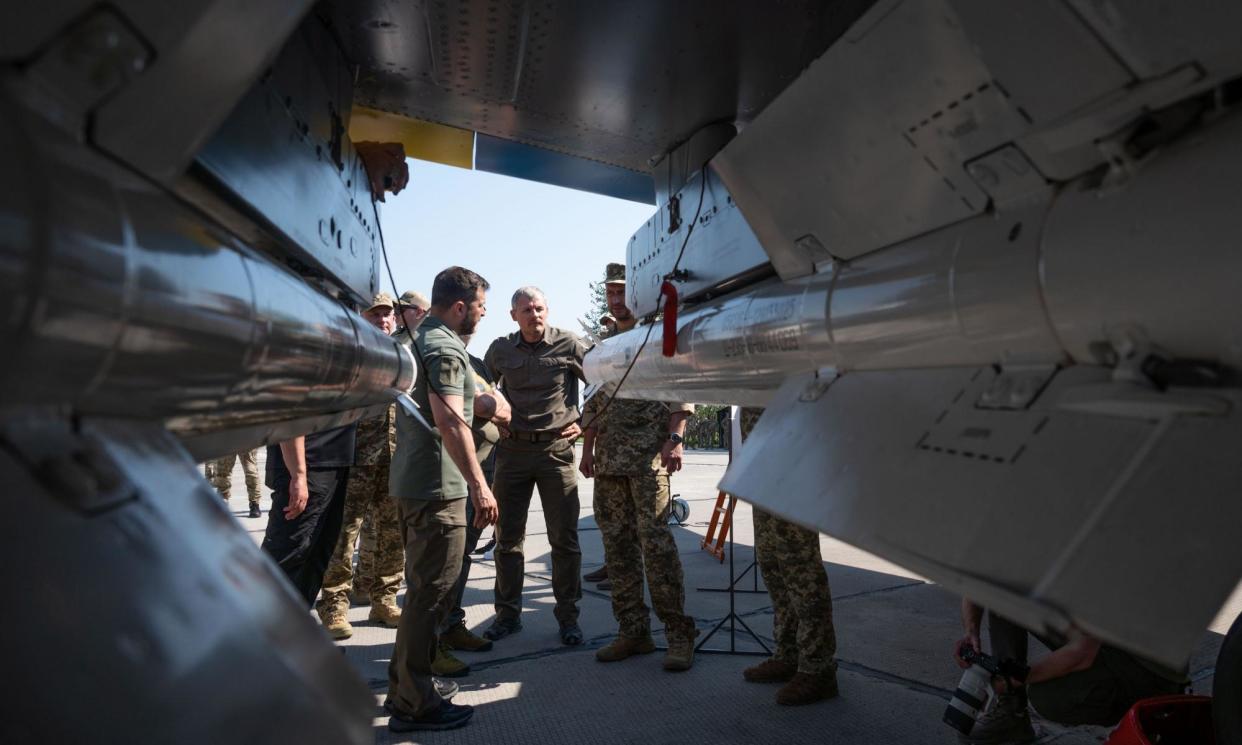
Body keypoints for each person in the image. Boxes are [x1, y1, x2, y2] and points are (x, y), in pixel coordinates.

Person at [385, 266, 499, 733]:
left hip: (416, 483)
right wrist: (479, 484)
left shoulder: (416, 339)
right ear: (459, 307)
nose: (481, 317)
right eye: (480, 309)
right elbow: (451, 421)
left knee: (421, 594)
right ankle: (415, 704)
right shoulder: (445, 348)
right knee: (430, 596)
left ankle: (406, 687)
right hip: (439, 489)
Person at [579, 262, 698, 671]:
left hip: (649, 462)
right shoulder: (605, 343)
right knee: (618, 552)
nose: (615, 299)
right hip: (609, 464)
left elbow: (679, 388)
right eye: (610, 293)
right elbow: (594, 401)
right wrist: (587, 449)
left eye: (622, 292)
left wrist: (675, 438)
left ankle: (679, 635)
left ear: (636, 296)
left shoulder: (656, 335)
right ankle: (633, 632)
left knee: (657, 550)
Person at [481, 286, 587, 646]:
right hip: (511, 453)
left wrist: (586, 421)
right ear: (513, 315)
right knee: (507, 540)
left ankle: (568, 618)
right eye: (526, 310)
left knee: (564, 540)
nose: (534, 314)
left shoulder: (569, 344)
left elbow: (605, 381)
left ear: (548, 310)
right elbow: (480, 387)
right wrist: (494, 413)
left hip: (555, 453)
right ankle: (507, 615)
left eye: (539, 308)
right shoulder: (500, 349)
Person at [952, 600, 1187, 743]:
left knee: (1047, 696)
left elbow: (1082, 653)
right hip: (1110, 640)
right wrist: (970, 631)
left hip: (1147, 670)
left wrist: (1015, 678)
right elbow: (981, 576)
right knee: (1003, 598)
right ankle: (1011, 718)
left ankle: (1147, 715)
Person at [315, 293, 406, 639]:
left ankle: (384, 600)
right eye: (375, 315)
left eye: (387, 315)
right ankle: (335, 604)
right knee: (344, 534)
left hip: (395, 457)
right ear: (361, 319)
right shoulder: (349, 356)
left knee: (392, 533)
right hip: (354, 459)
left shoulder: (404, 356)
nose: (383, 320)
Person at [736, 407, 840, 705]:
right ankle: (788, 654)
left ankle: (818, 668)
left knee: (800, 569)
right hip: (762, 468)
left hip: (795, 464)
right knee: (771, 564)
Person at [431, 332, 512, 678]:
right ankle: (430, 644)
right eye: (478, 307)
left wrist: (495, 406)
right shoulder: (438, 358)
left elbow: (503, 407)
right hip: (455, 473)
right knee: (441, 561)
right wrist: (493, 407)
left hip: (483, 467)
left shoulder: (475, 364)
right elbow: (483, 406)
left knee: (462, 554)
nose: (480, 317)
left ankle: (450, 625)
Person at [260, 422, 356, 608]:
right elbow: (291, 415)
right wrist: (298, 474)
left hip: (333, 462)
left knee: (316, 555)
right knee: (287, 554)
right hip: (308, 464)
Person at [205, 449, 263, 518]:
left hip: (246, 442)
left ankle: (255, 504)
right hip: (227, 441)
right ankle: (223, 500)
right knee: (223, 472)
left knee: (251, 472)